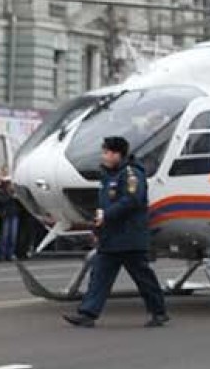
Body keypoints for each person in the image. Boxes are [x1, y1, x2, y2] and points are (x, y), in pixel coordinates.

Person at [64, 136, 169, 328]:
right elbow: (105, 204)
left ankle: (158, 311)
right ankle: (88, 313)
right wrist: (99, 226)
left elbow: (131, 201)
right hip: (111, 237)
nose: (103, 156)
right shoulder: (108, 175)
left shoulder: (131, 175)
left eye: (107, 152)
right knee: (99, 276)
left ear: (117, 154)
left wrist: (107, 216)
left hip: (129, 237)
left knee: (143, 278)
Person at [0, 177, 19, 261]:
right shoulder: (0, 194)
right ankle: (2, 254)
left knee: (13, 236)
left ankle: (10, 253)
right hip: (5, 216)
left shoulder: (13, 194)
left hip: (14, 215)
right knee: (4, 236)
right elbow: (1, 201)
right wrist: (10, 195)